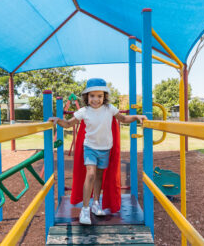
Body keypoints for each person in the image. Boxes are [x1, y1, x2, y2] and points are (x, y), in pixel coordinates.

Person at [48, 78, 147, 225]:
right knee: (91, 174)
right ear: (87, 97)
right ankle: (85, 210)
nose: (96, 99)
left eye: (99, 96)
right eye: (92, 96)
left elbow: (124, 118)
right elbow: (68, 124)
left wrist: (137, 116)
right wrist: (57, 120)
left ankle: (96, 204)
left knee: (99, 177)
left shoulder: (110, 109)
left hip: (105, 149)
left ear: (104, 97)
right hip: (90, 148)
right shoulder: (84, 111)